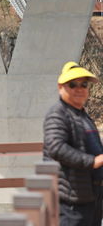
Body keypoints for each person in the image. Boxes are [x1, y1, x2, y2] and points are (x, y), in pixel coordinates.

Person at [43, 61, 103, 225]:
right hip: (71, 201)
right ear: (61, 87)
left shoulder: (82, 115)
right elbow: (56, 147)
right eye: (73, 84)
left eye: (84, 84)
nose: (79, 89)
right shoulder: (58, 114)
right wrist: (93, 161)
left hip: (91, 197)